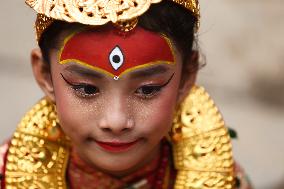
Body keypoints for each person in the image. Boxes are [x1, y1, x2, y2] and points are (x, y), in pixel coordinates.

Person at [0, 0, 252, 188]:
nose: (117, 121)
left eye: (148, 89)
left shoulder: (230, 181)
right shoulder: (6, 176)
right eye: (87, 88)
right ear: (45, 76)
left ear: (186, 77)